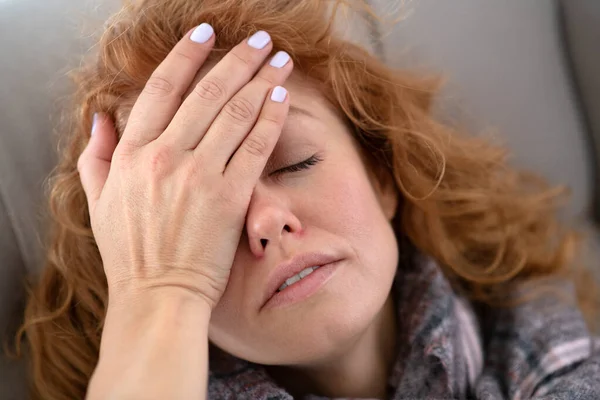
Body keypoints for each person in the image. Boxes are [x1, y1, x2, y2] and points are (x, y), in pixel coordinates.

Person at [15, 0, 600, 399]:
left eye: (296, 162)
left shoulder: (539, 344)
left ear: (382, 176)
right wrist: (159, 293)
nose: (267, 221)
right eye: (203, 215)